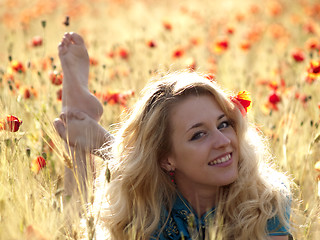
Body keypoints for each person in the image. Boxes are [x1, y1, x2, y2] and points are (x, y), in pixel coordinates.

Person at [54, 32, 292, 240]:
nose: (224, 142)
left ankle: (91, 133)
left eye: (223, 124)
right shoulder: (152, 213)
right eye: (198, 134)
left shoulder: (265, 198)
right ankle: (79, 132)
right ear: (167, 159)